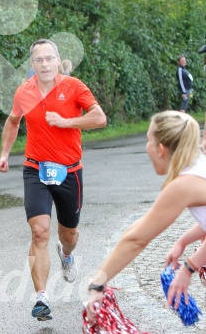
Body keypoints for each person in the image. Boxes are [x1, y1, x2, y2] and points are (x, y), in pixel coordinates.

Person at [0, 38, 106, 321]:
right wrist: (5, 153)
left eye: (49, 58)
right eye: (38, 60)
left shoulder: (74, 86)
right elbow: (12, 120)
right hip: (36, 169)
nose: (44, 64)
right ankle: (41, 298)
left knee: (68, 235)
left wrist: (67, 122)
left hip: (70, 171)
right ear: (32, 64)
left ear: (57, 60)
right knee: (39, 231)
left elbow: (99, 118)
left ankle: (66, 255)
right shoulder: (24, 91)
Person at [86, 111, 206, 322]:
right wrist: (182, 241)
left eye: (148, 140)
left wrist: (97, 284)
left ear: (161, 149)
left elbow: (137, 240)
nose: (146, 147)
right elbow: (137, 229)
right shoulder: (198, 167)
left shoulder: (183, 185)